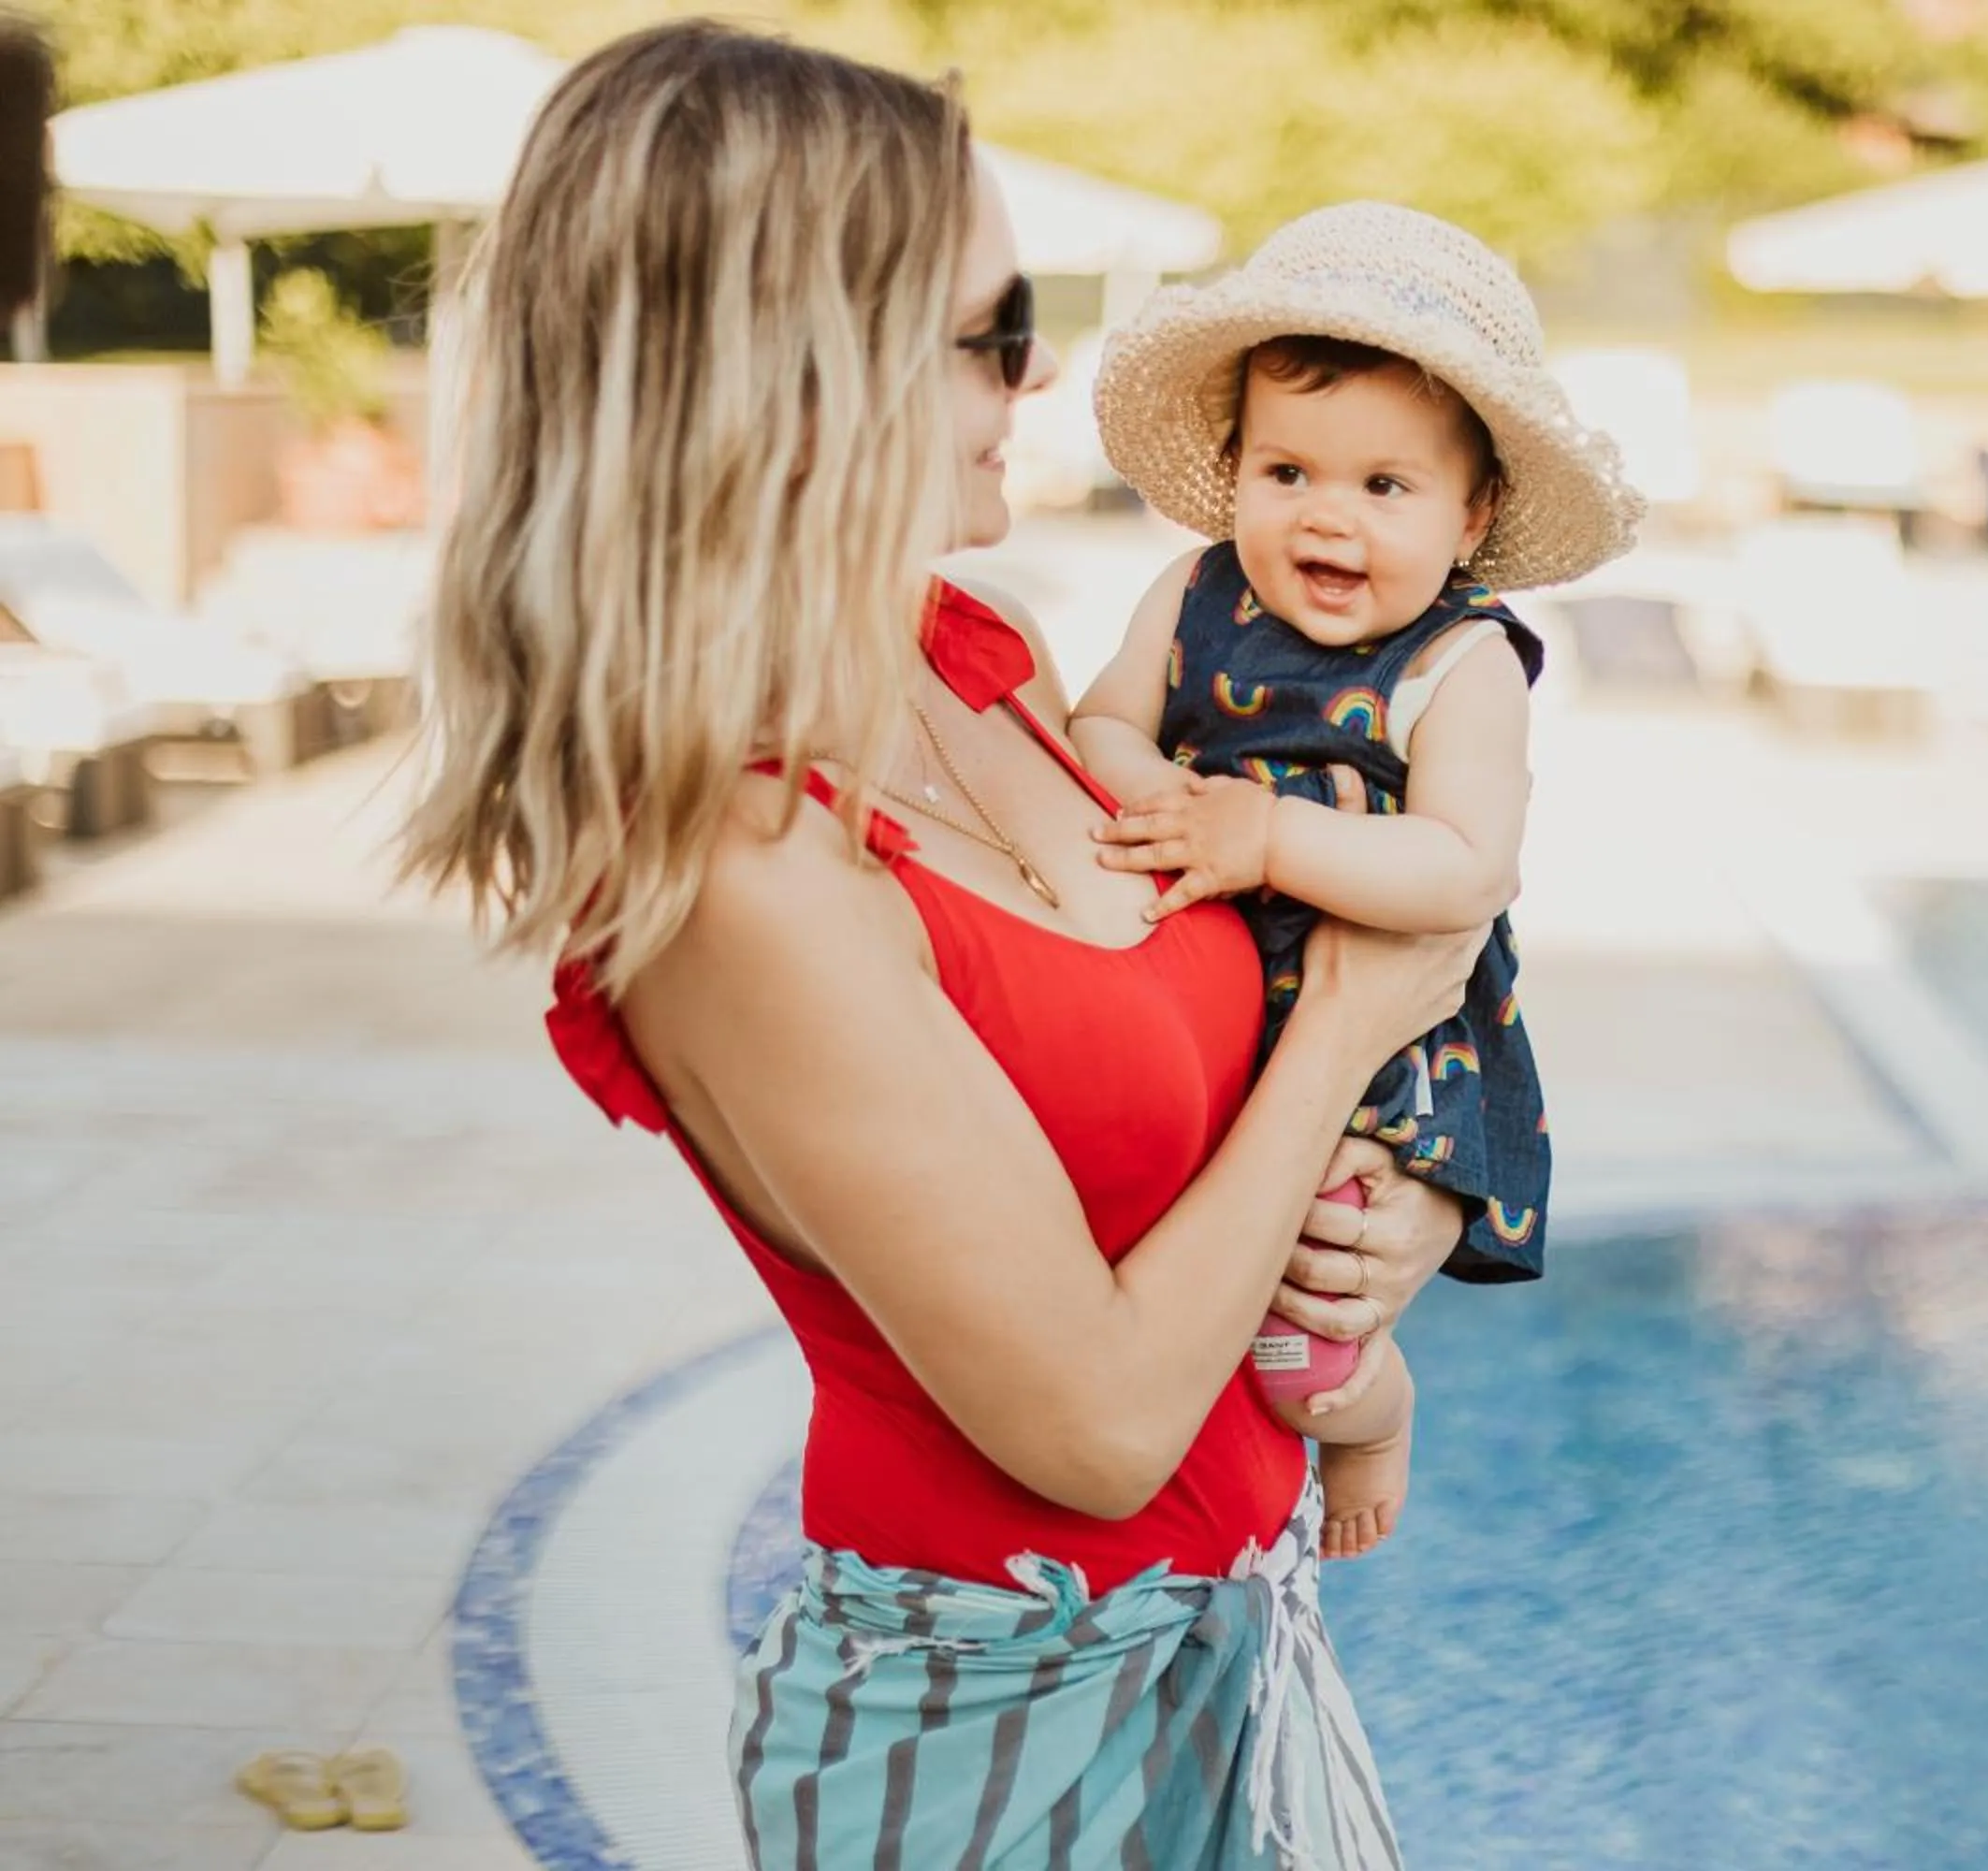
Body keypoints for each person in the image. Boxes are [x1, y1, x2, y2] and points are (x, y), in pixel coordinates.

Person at [399, 22, 1487, 1866]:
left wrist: (1383, 1235)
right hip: (1000, 1718)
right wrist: (1352, 1027)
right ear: (795, 370)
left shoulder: (979, 661)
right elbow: (1097, 1424)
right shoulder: (736, 865)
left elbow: (1184, 1131)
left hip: (1240, 1626)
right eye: (993, 330)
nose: (1033, 370)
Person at [1070, 203, 1642, 1559]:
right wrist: (1178, 808)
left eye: (1385, 488)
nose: (1327, 517)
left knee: (1302, 1332)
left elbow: (1463, 866)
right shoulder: (1196, 593)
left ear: (1474, 510)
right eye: (1288, 473)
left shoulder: (1462, 667)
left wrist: (1263, 840)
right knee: (1161, 1262)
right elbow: (1101, 725)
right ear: (1234, 469)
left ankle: (1373, 1415)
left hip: (1390, 1041)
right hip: (1213, 987)